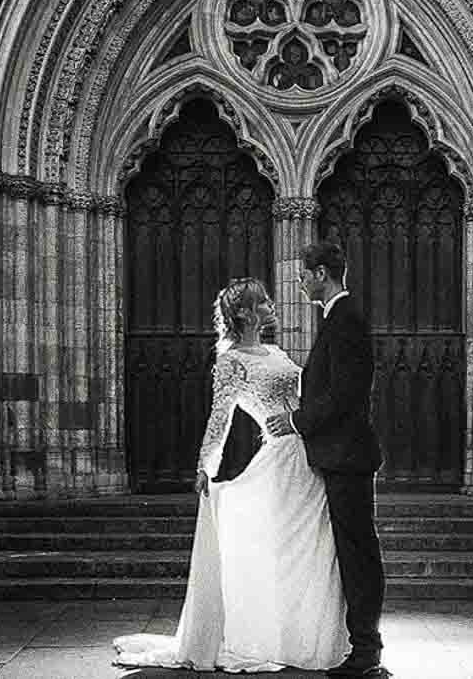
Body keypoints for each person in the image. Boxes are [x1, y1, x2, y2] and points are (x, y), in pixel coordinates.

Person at [113, 279, 349, 674]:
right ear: (243, 313)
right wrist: (206, 466)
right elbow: (220, 417)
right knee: (291, 548)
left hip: (309, 452)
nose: (272, 305)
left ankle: (305, 636)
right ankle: (283, 638)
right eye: (263, 302)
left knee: (312, 548)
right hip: (284, 460)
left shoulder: (273, 350)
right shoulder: (231, 361)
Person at [267, 242, 386, 678]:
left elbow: (345, 394)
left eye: (303, 273)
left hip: (347, 456)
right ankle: (363, 646)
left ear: (321, 273)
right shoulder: (337, 317)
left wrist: (295, 420)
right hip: (340, 455)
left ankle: (366, 650)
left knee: (358, 553)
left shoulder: (346, 318)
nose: (299, 280)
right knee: (354, 550)